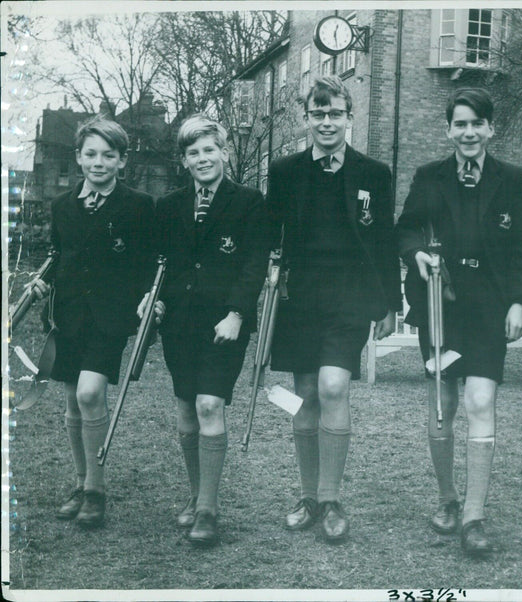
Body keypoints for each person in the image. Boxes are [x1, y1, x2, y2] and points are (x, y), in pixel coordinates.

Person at [396, 87, 522, 557]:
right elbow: (406, 227)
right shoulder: (429, 176)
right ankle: (447, 500)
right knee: (443, 401)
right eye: (460, 123)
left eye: (477, 123)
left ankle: (474, 515)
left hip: (489, 306)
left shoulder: (513, 178)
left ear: (490, 128)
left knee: (481, 400)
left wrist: (520, 302)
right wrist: (416, 252)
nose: (469, 132)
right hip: (440, 302)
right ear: (448, 129)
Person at [266, 76, 401, 544]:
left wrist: (390, 304)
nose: (327, 122)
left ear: (349, 117)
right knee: (306, 394)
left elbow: (384, 239)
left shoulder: (373, 173)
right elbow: (270, 235)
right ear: (306, 118)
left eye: (336, 114)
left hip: (350, 296)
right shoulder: (283, 171)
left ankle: (331, 498)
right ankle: (308, 497)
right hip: (300, 298)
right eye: (318, 114)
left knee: (334, 385)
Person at [147, 114, 269, 546]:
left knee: (209, 405)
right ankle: (196, 493)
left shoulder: (250, 201)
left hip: (225, 326)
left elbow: (255, 264)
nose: (203, 159)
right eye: (193, 152)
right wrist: (153, 297)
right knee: (186, 409)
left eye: (209, 150)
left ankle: (208, 510)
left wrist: (237, 313)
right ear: (184, 160)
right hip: (179, 324)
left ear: (225, 152)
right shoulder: (168, 206)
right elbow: (157, 263)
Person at [30, 116, 155, 528]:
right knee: (71, 399)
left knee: (89, 394)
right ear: (79, 157)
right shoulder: (63, 205)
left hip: (109, 318)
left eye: (108, 155)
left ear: (121, 160)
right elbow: (59, 256)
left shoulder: (138, 206)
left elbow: (146, 266)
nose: (98, 163)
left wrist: (144, 303)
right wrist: (42, 282)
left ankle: (96, 491)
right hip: (68, 315)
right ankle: (81, 482)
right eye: (90, 154)